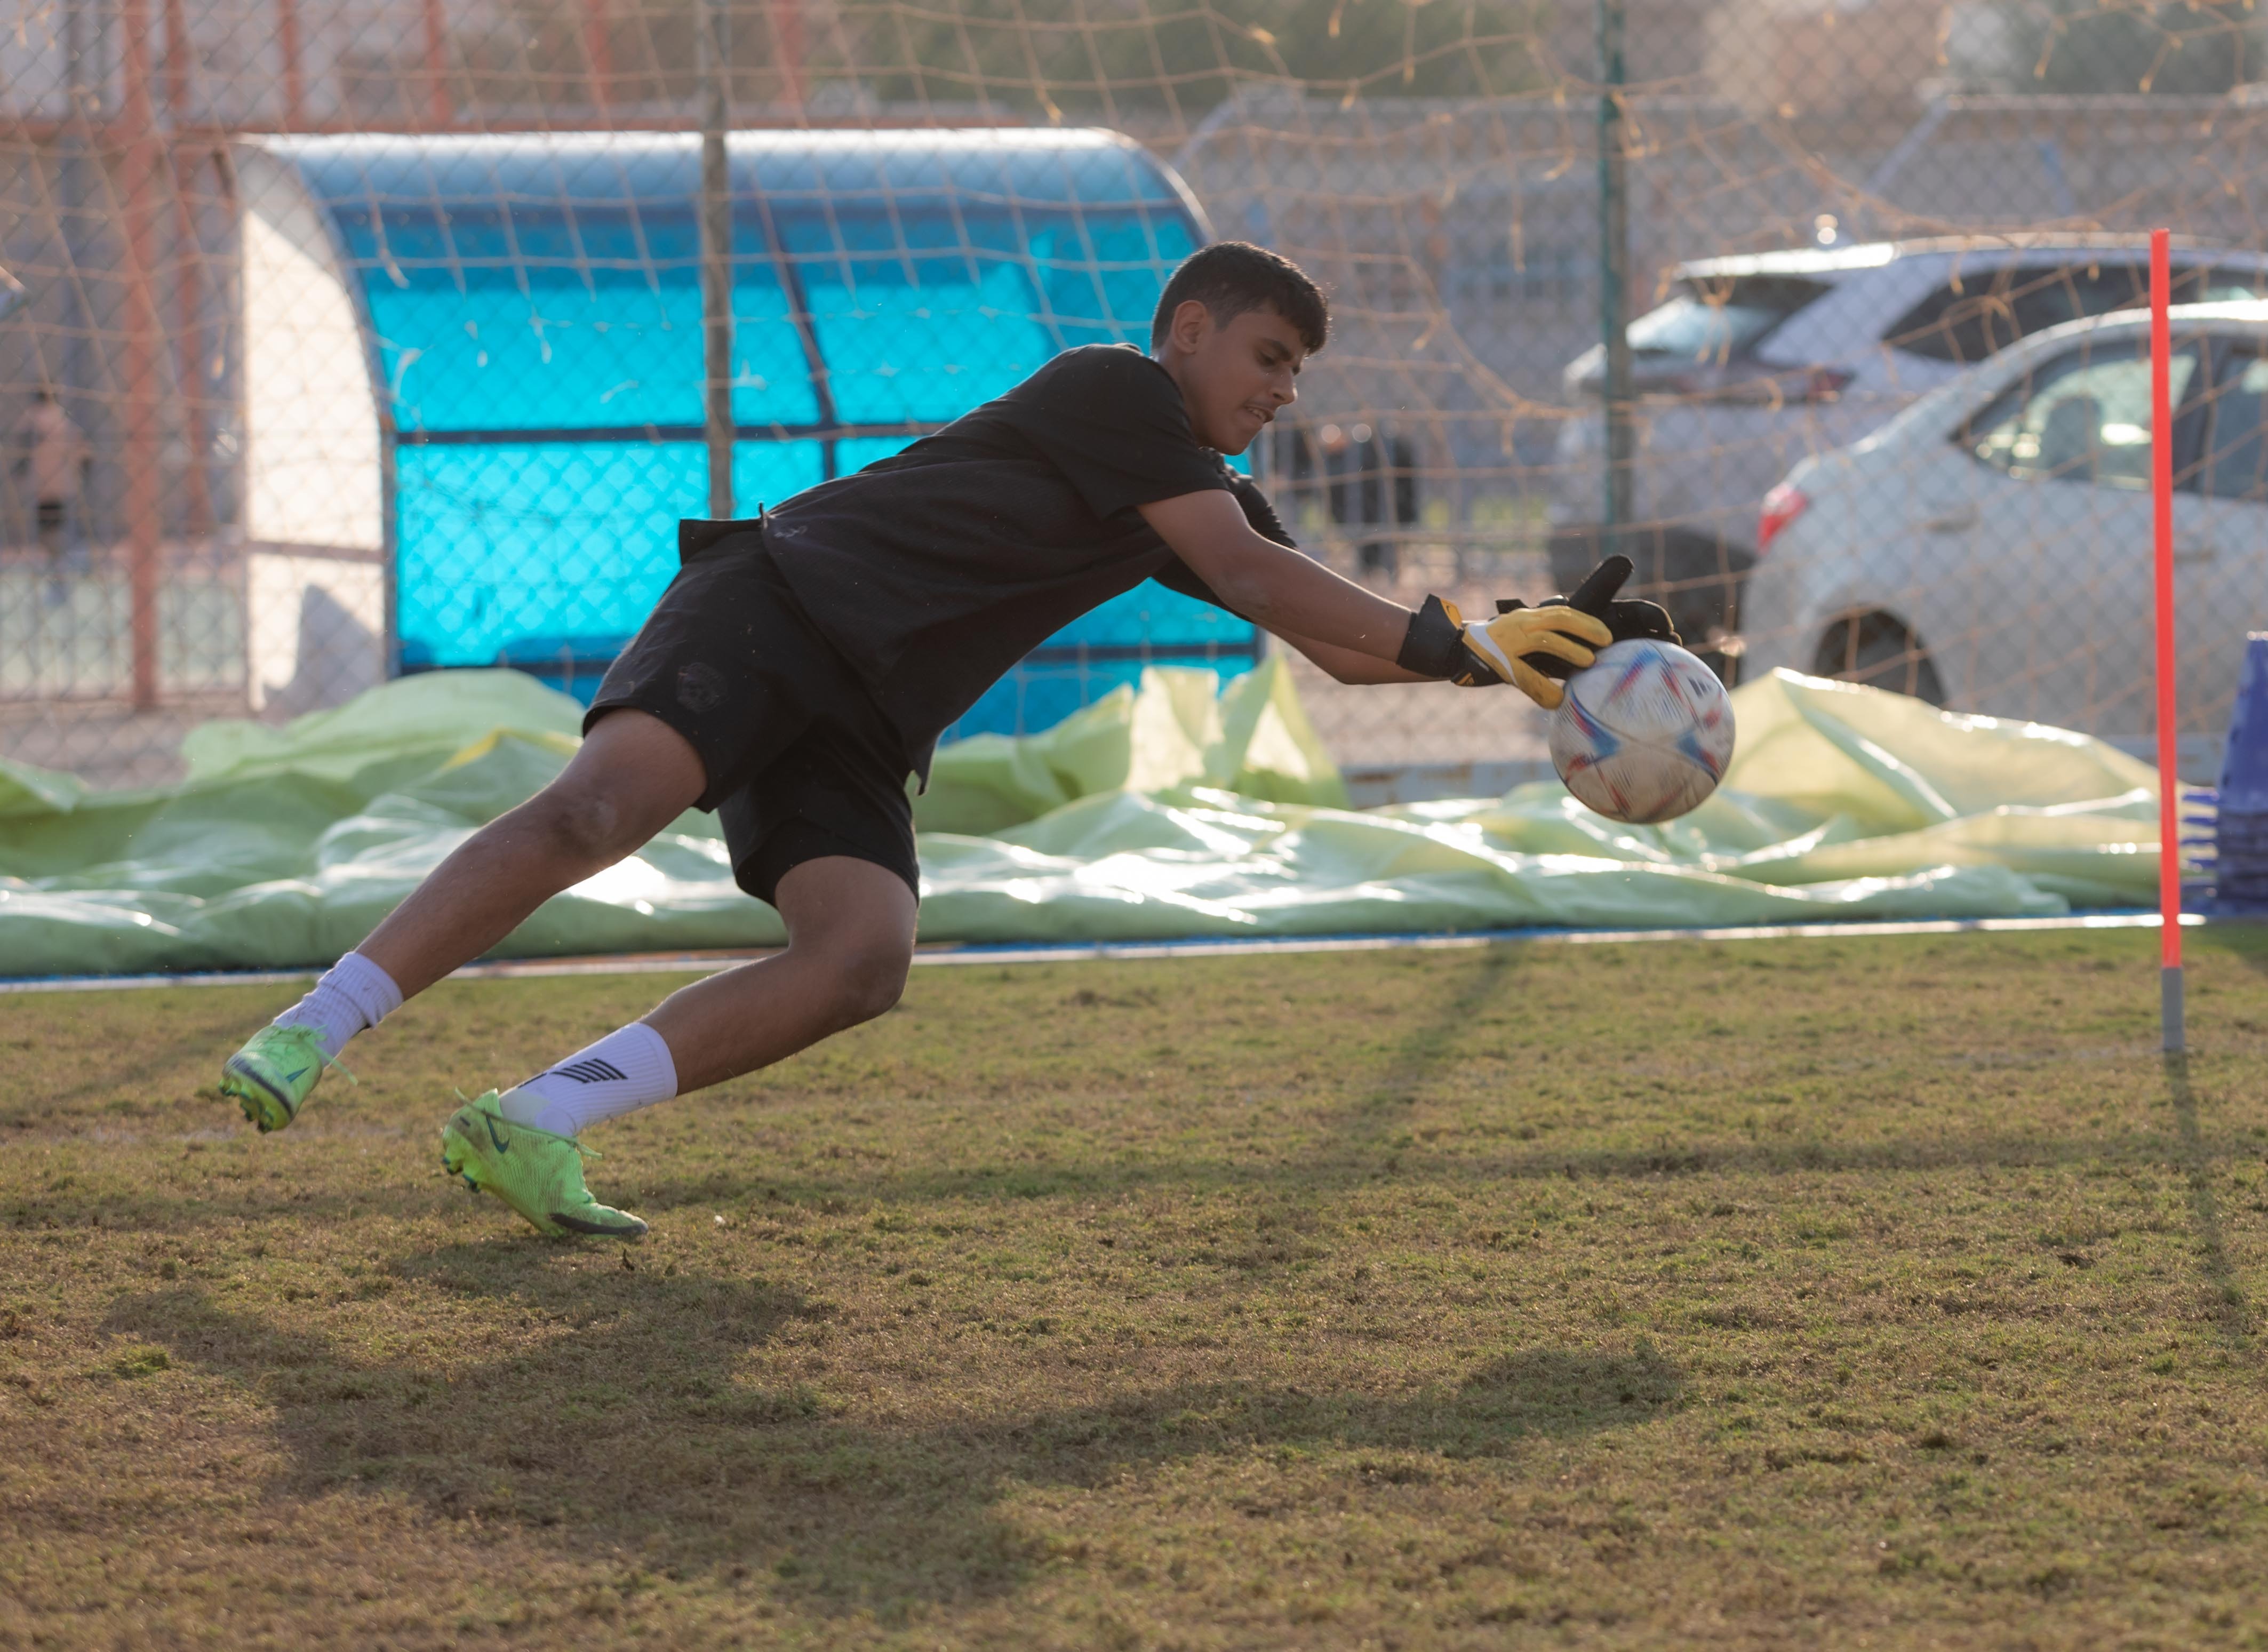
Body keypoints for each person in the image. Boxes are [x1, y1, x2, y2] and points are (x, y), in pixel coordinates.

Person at [215, 241, 1672, 1240]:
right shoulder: (1118, 391)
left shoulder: (1190, 489)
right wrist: (1464, 639)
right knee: (595, 815)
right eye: (1269, 355)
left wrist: (1516, 654)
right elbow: (1259, 575)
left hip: (863, 710)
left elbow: (1332, 634)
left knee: (862, 958)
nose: (1283, 389)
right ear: (1187, 331)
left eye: (1296, 373)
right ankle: (317, 1024)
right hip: (777, 605)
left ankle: (529, 1120)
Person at [14, 388, 90, 595]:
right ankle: (62, 565)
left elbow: (21, 453)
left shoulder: (31, 418)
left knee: (47, 531)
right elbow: (85, 453)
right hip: (65, 485)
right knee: (60, 527)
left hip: (41, 487)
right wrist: (81, 475)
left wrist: (20, 473)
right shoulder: (65, 418)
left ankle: (56, 565)